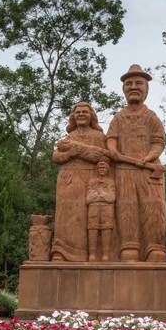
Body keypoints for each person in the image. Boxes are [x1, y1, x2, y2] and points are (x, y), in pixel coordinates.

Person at [105, 64, 166, 262]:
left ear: (146, 89)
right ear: (123, 89)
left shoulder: (151, 117)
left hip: (149, 170)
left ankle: (155, 247)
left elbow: (158, 142)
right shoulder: (118, 118)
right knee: (126, 207)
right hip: (124, 170)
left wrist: (149, 157)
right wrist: (113, 151)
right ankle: (129, 246)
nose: (133, 86)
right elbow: (111, 139)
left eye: (138, 83)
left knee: (153, 207)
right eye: (129, 83)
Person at [51, 102, 111, 261]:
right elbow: (56, 156)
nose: (81, 114)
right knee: (65, 214)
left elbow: (106, 157)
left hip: (89, 179)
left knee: (85, 216)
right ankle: (61, 251)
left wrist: (82, 152)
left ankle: (86, 254)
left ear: (91, 116)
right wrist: (71, 153)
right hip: (67, 179)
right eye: (78, 112)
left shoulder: (98, 137)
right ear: (73, 117)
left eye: (85, 112)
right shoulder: (70, 137)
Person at [85, 161, 116, 262]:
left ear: (107, 170)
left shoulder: (111, 182)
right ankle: (92, 255)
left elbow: (112, 198)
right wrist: (103, 195)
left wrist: (100, 194)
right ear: (97, 169)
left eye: (104, 168)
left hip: (107, 208)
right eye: (99, 168)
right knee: (92, 228)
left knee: (106, 228)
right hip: (93, 207)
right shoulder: (91, 182)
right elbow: (88, 198)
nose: (101, 170)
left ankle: (105, 255)